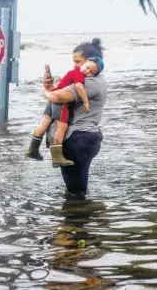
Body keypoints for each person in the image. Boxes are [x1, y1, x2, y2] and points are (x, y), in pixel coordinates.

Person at [44, 38, 107, 196]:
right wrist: (50, 87)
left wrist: (46, 91)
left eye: (78, 62)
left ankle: (77, 217)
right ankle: (79, 215)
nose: (75, 66)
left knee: (75, 192)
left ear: (91, 62)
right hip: (83, 139)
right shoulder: (89, 79)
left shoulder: (91, 83)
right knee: (76, 189)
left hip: (80, 139)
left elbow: (58, 97)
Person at [25, 57, 104, 167]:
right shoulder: (79, 74)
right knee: (61, 128)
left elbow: (61, 86)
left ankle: (32, 149)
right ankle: (57, 157)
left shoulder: (72, 72)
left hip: (51, 102)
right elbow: (79, 86)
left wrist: (49, 91)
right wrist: (85, 101)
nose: (87, 72)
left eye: (91, 73)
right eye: (87, 68)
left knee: (44, 124)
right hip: (61, 104)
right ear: (83, 63)